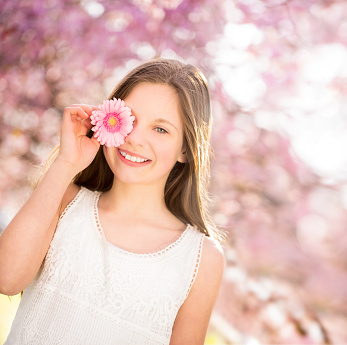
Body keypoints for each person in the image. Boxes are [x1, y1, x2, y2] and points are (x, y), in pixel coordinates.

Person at [0, 58, 226, 345]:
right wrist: (67, 164)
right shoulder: (66, 200)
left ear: (186, 150)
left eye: (161, 129)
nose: (135, 139)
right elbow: (6, 278)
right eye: (128, 118)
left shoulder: (201, 258)